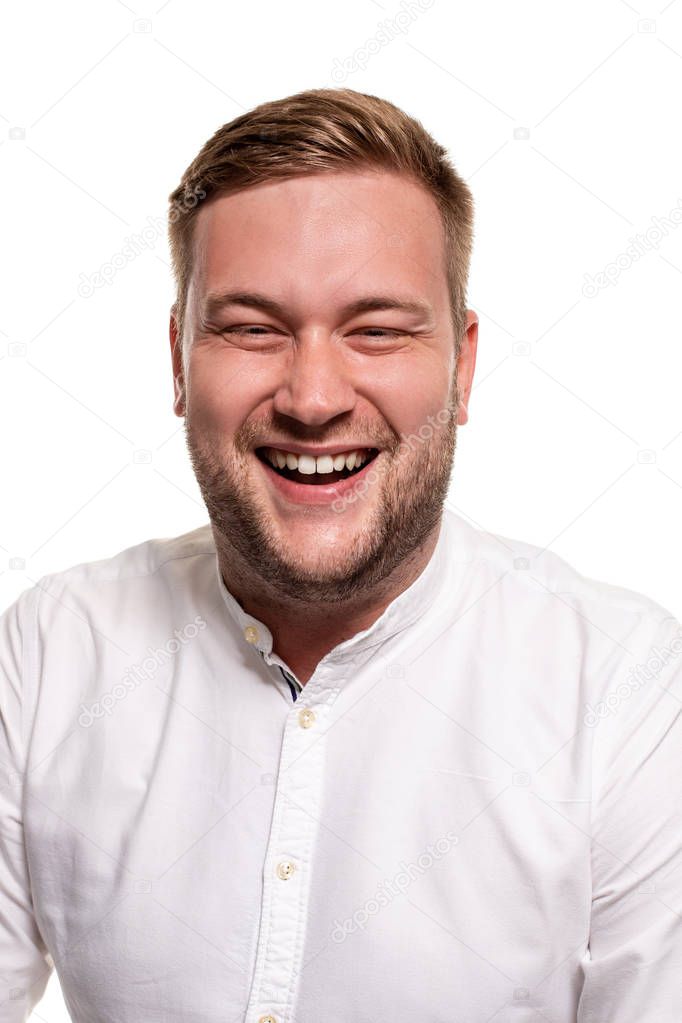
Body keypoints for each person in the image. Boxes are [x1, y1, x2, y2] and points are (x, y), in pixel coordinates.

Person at [1, 87, 681, 1023]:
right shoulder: (49, 653)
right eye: (252, 327)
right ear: (176, 359)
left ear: (463, 365)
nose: (313, 396)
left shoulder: (625, 687)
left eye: (378, 330)